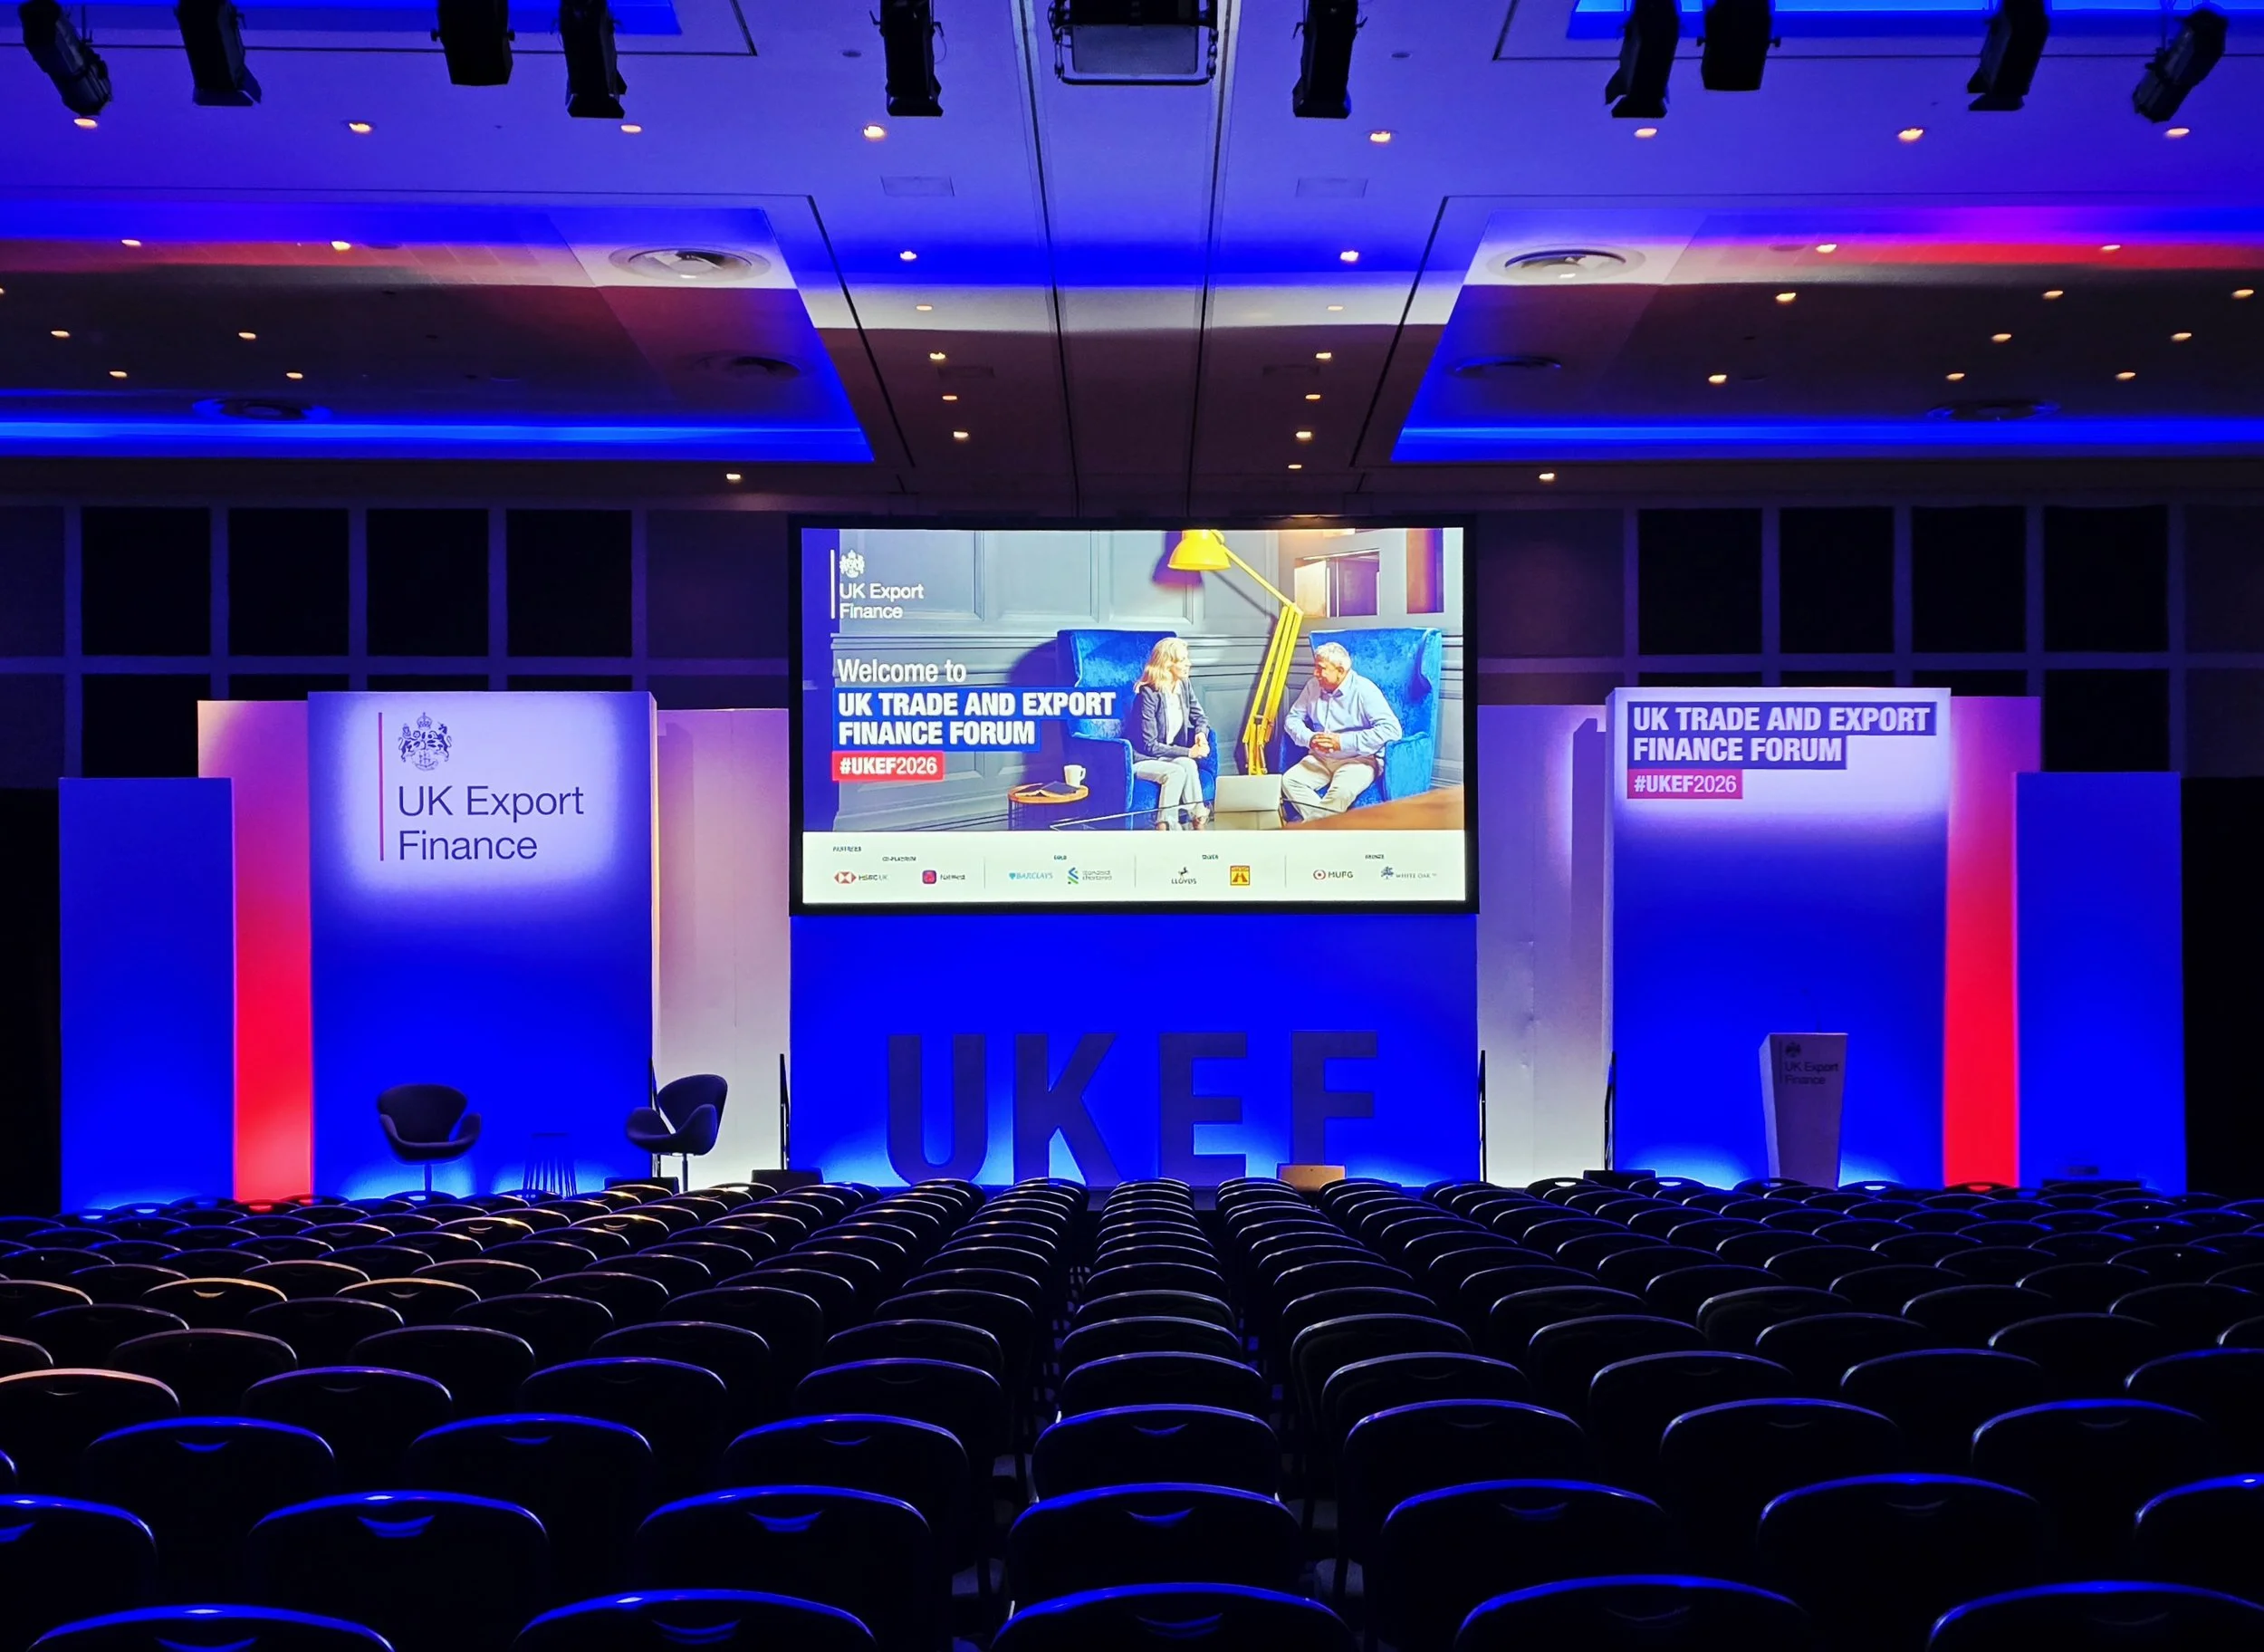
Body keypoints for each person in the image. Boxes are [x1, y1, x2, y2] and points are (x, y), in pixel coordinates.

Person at [1281, 640, 1401, 820]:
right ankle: (1325, 829)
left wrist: (1343, 742)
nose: (1315, 673)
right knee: (1290, 781)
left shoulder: (1364, 690)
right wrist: (1309, 738)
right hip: (1320, 757)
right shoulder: (1313, 686)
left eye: (1321, 668)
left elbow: (1392, 730)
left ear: (1340, 670)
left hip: (1358, 760)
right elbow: (1292, 719)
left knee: (1341, 792)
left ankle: (1314, 832)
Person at [1128, 637, 1212, 829]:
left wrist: (1201, 735)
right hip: (1143, 758)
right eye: (1182, 660)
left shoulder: (1183, 685)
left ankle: (1198, 821)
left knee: (1189, 765)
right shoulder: (1148, 693)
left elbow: (1201, 718)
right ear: (1167, 664)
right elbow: (1150, 745)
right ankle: (1165, 826)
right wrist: (1189, 752)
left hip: (1166, 758)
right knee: (1176, 771)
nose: (1188, 663)